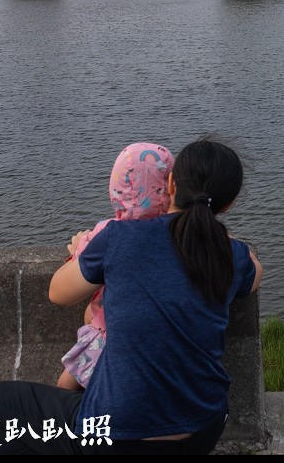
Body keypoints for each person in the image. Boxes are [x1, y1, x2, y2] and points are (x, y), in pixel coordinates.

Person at [0, 138, 262, 455]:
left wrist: (78, 253)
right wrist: (224, 238)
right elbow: (255, 273)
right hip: (203, 429)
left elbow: (58, 292)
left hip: (118, 439)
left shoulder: (119, 237)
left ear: (172, 184)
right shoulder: (232, 255)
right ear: (229, 204)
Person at [56, 141, 175, 392]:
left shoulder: (107, 234)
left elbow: (61, 290)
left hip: (109, 336)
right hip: (162, 344)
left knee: (66, 385)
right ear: (171, 186)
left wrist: (79, 244)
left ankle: (73, 427)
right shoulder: (180, 233)